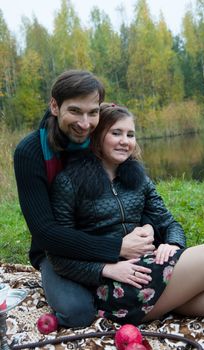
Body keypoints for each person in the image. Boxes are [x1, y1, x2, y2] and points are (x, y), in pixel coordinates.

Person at [48, 103, 204, 327]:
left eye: (130, 134)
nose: (125, 141)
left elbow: (169, 223)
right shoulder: (69, 182)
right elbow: (59, 256)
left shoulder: (138, 180)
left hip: (148, 273)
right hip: (112, 286)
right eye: (116, 133)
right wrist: (107, 269)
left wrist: (172, 243)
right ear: (97, 136)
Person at [13, 71, 156, 328]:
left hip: (107, 233)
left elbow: (130, 189)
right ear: (54, 106)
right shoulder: (31, 152)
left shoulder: (99, 137)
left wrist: (148, 226)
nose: (85, 123)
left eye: (93, 112)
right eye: (75, 111)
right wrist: (116, 249)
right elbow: (45, 232)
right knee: (77, 313)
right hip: (57, 250)